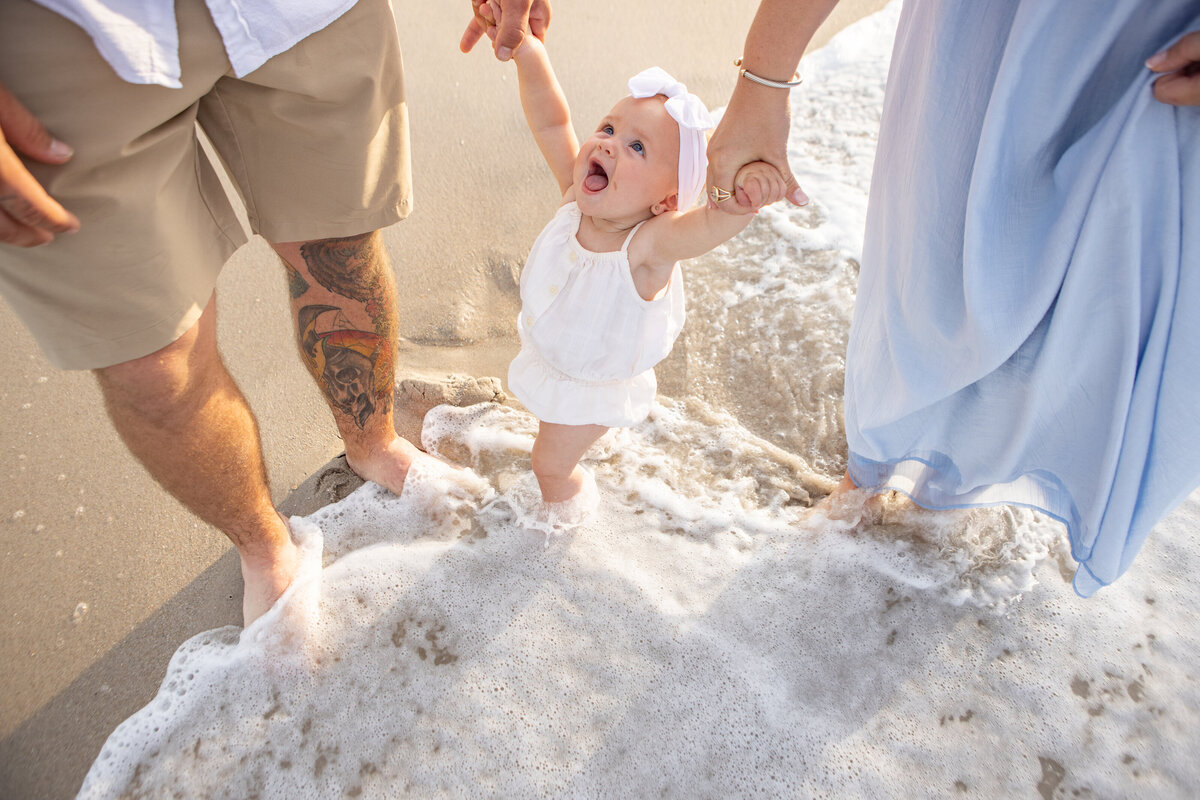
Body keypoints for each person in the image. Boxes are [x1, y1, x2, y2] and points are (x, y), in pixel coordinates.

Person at [0, 0, 548, 624]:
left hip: (303, 13)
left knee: (337, 254)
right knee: (152, 361)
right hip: (52, 43)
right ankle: (263, 544)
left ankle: (374, 442)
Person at [707, 0, 1200, 595]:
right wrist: (763, 82)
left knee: (1102, 304)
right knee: (934, 261)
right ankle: (885, 477)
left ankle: (944, 486)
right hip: (986, 30)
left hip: (1156, 52)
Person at [476, 21, 786, 508]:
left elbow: (709, 225)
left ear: (666, 201)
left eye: (636, 147)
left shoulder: (647, 248)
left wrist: (744, 200)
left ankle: (565, 518)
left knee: (549, 465)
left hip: (592, 387)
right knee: (550, 432)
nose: (607, 144)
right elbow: (552, 122)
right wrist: (529, 53)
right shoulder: (574, 201)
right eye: (608, 128)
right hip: (556, 360)